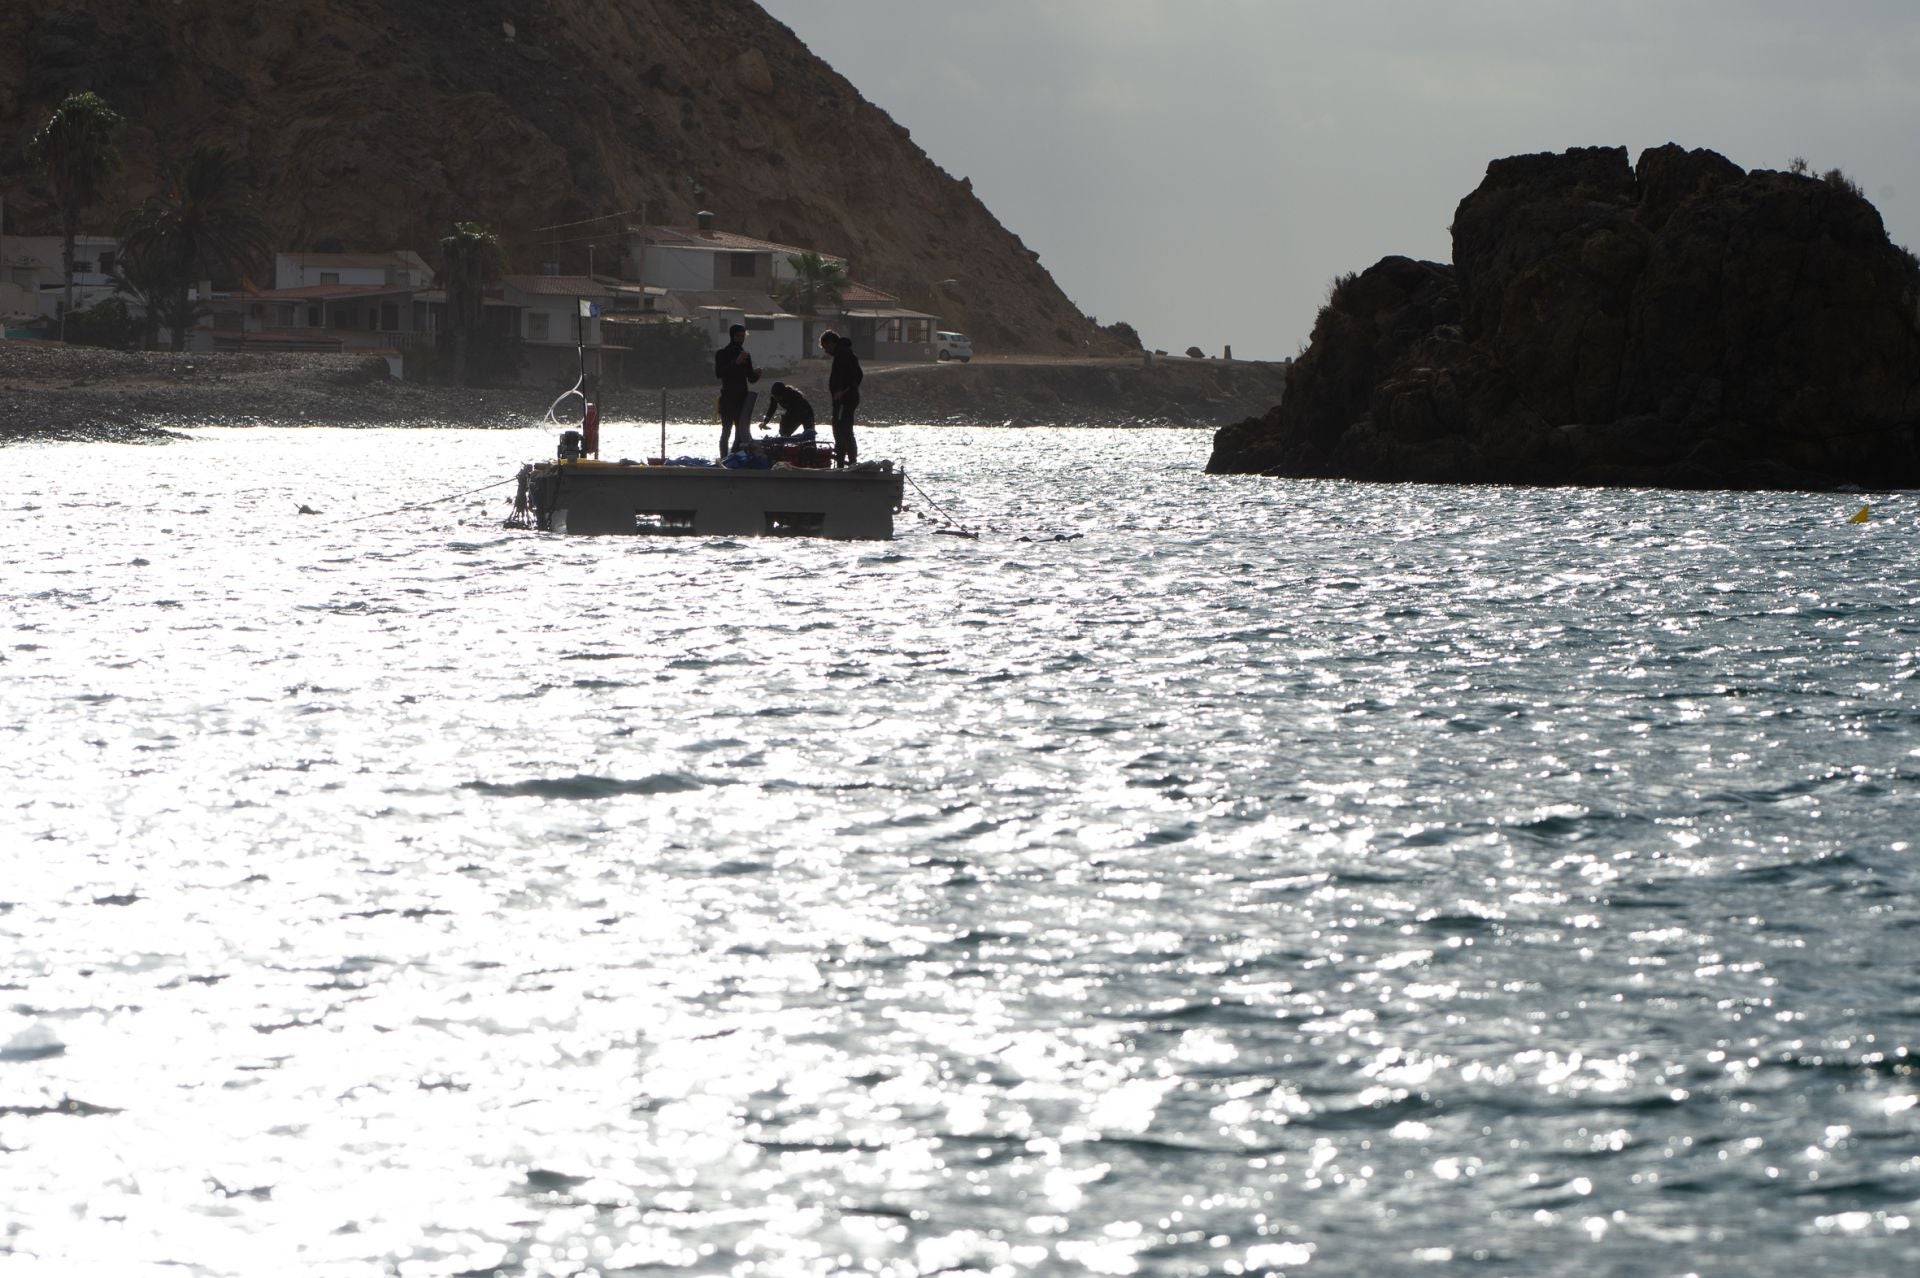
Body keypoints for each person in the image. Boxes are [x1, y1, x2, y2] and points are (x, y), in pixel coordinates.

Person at [714, 323, 759, 457]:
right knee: (726, 430)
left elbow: (750, 378)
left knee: (740, 432)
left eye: (743, 336)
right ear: (732, 336)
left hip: (742, 398)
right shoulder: (722, 353)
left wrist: (756, 374)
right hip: (728, 398)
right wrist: (736, 363)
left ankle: (735, 456)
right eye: (738, 336)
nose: (741, 339)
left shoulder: (745, 355)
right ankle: (724, 458)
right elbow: (719, 373)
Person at [820, 329, 863, 468]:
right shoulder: (846, 353)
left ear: (831, 342)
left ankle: (845, 463)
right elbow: (858, 375)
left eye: (826, 347)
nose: (826, 351)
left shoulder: (843, 354)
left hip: (845, 400)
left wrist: (843, 392)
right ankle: (849, 461)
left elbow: (855, 377)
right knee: (844, 429)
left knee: (841, 430)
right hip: (846, 398)